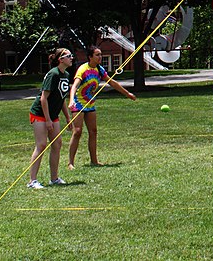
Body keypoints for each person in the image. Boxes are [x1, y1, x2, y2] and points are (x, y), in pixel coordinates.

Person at [67, 46, 136, 169]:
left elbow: (112, 82)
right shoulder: (83, 69)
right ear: (90, 57)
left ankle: (94, 161)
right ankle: (70, 163)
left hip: (90, 104)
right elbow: (74, 86)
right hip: (78, 103)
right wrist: (71, 100)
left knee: (93, 132)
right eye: (97, 55)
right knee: (77, 132)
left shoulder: (100, 69)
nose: (100, 57)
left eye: (100, 54)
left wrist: (127, 94)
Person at [28, 48, 74, 189]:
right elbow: (43, 98)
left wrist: (67, 118)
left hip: (52, 115)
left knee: (57, 144)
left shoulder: (65, 75)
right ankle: (32, 181)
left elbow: (61, 99)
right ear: (61, 59)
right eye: (69, 56)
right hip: (40, 114)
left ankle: (54, 178)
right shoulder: (53, 74)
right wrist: (47, 120)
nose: (72, 58)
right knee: (41, 145)